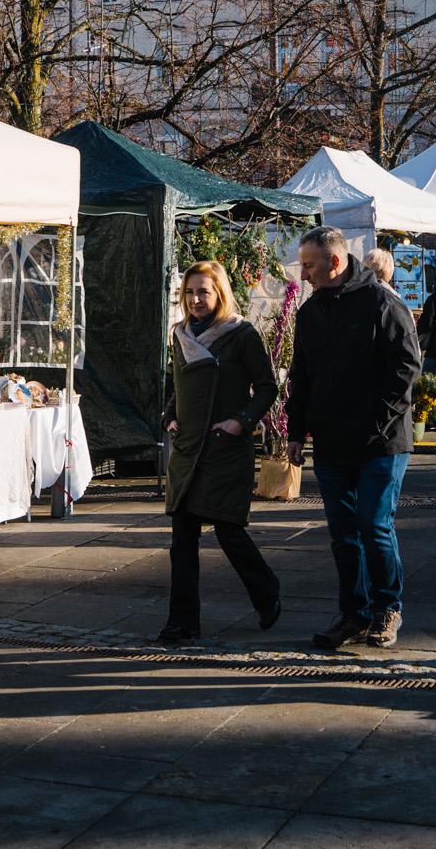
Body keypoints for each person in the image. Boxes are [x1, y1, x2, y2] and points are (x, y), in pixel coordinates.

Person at [287, 225, 423, 650]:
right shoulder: (310, 313)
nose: (303, 274)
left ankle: (388, 608)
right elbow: (301, 376)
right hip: (331, 441)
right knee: (343, 532)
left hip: (379, 442)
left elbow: (406, 366)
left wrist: (377, 420)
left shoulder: (382, 302)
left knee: (373, 525)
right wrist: (295, 431)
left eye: (309, 265)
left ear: (335, 262)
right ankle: (354, 614)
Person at [159, 261, 283, 644]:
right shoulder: (178, 335)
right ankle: (183, 621)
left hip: (224, 450)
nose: (196, 299)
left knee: (230, 533)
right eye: (191, 292)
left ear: (220, 294)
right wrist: (169, 417)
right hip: (186, 451)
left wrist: (240, 422)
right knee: (182, 543)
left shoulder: (241, 334)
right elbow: (174, 384)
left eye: (204, 292)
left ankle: (267, 592)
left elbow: (266, 387)